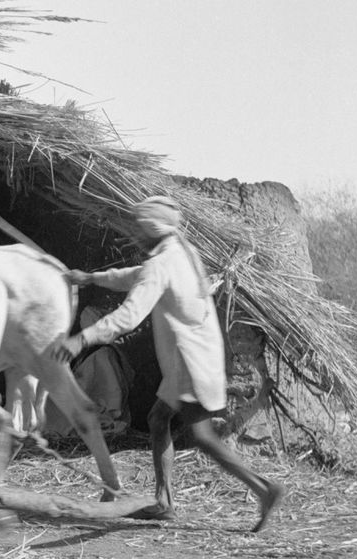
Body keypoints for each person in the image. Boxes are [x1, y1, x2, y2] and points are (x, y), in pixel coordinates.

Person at [49, 195, 283, 532]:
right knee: (159, 420)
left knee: (201, 436)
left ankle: (263, 488)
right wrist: (92, 278)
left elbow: (128, 316)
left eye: (139, 229)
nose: (135, 235)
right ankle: (164, 500)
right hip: (197, 355)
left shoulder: (162, 263)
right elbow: (137, 276)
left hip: (191, 362)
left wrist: (81, 339)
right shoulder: (179, 253)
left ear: (152, 229)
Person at [43, 305, 133, 439]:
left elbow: (108, 390)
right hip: (84, 397)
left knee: (51, 403)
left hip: (94, 402)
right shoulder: (89, 352)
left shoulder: (104, 354)